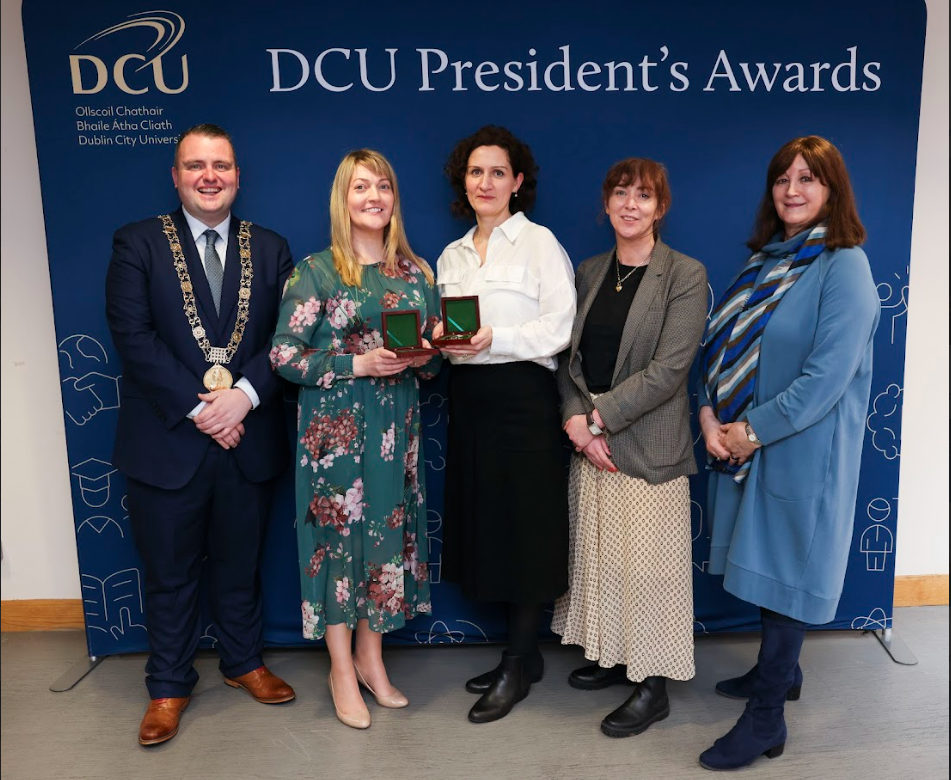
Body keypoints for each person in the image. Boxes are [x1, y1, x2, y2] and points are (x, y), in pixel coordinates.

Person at [105, 123, 296, 746]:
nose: (209, 176)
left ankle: (244, 663)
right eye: (195, 166)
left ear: (238, 175)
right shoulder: (136, 243)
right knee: (168, 571)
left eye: (221, 165)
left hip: (248, 436)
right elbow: (133, 338)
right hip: (168, 441)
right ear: (176, 176)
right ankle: (168, 686)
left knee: (242, 564)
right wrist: (202, 410)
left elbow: (289, 341)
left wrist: (240, 399)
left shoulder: (270, 248)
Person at [696, 136, 880, 771]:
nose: (793, 190)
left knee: (787, 576)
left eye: (809, 178)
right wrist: (708, 413)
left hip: (802, 451)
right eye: (783, 179)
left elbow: (825, 380)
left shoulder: (843, 264)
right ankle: (784, 672)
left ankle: (767, 718)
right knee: (765, 564)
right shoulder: (767, 261)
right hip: (748, 441)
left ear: (833, 190)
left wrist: (747, 431)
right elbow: (720, 346)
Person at [270, 149, 440, 729]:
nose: (374, 197)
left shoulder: (416, 273)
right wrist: (356, 364)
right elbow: (284, 356)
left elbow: (431, 363)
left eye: (384, 186)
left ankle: (372, 659)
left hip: (396, 433)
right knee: (339, 547)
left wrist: (440, 348)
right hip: (334, 436)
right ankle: (341, 667)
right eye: (361, 187)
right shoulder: (317, 272)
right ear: (343, 200)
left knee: (384, 543)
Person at [552, 158, 708, 737]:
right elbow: (564, 359)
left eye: (643, 196)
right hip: (589, 445)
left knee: (651, 572)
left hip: (646, 446)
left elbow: (669, 370)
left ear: (660, 208)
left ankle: (654, 685)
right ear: (607, 203)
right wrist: (573, 419)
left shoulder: (685, 274)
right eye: (621, 193)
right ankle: (619, 657)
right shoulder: (590, 271)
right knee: (604, 560)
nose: (630, 205)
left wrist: (596, 421)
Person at [433, 125, 576, 723]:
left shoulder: (541, 244)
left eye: (497, 172)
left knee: (525, 527)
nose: (485, 183)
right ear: (462, 183)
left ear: (518, 182)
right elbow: (452, 335)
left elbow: (560, 329)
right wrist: (439, 342)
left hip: (524, 401)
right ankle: (520, 655)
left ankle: (519, 664)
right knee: (488, 524)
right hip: (470, 402)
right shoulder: (451, 255)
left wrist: (498, 339)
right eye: (475, 172)